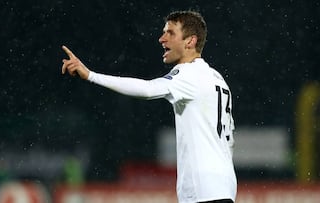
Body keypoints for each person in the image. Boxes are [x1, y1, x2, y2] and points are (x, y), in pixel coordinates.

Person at [61, 10, 237, 203]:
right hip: (224, 186)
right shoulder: (217, 79)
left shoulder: (188, 74)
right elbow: (229, 139)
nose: (162, 39)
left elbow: (147, 89)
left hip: (203, 190)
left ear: (190, 41)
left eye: (170, 33)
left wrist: (91, 75)